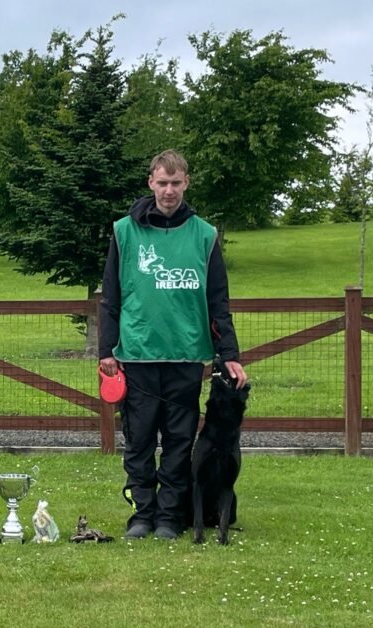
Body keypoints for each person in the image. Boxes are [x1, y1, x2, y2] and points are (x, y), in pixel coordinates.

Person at [98, 149, 247, 541]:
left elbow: (218, 302)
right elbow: (110, 298)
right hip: (137, 355)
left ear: (186, 184)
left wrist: (229, 355)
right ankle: (142, 514)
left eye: (176, 183)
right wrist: (106, 350)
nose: (168, 191)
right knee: (140, 441)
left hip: (186, 356)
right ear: (150, 182)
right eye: (162, 183)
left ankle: (169, 517)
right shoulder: (123, 232)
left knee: (180, 442)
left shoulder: (205, 234)